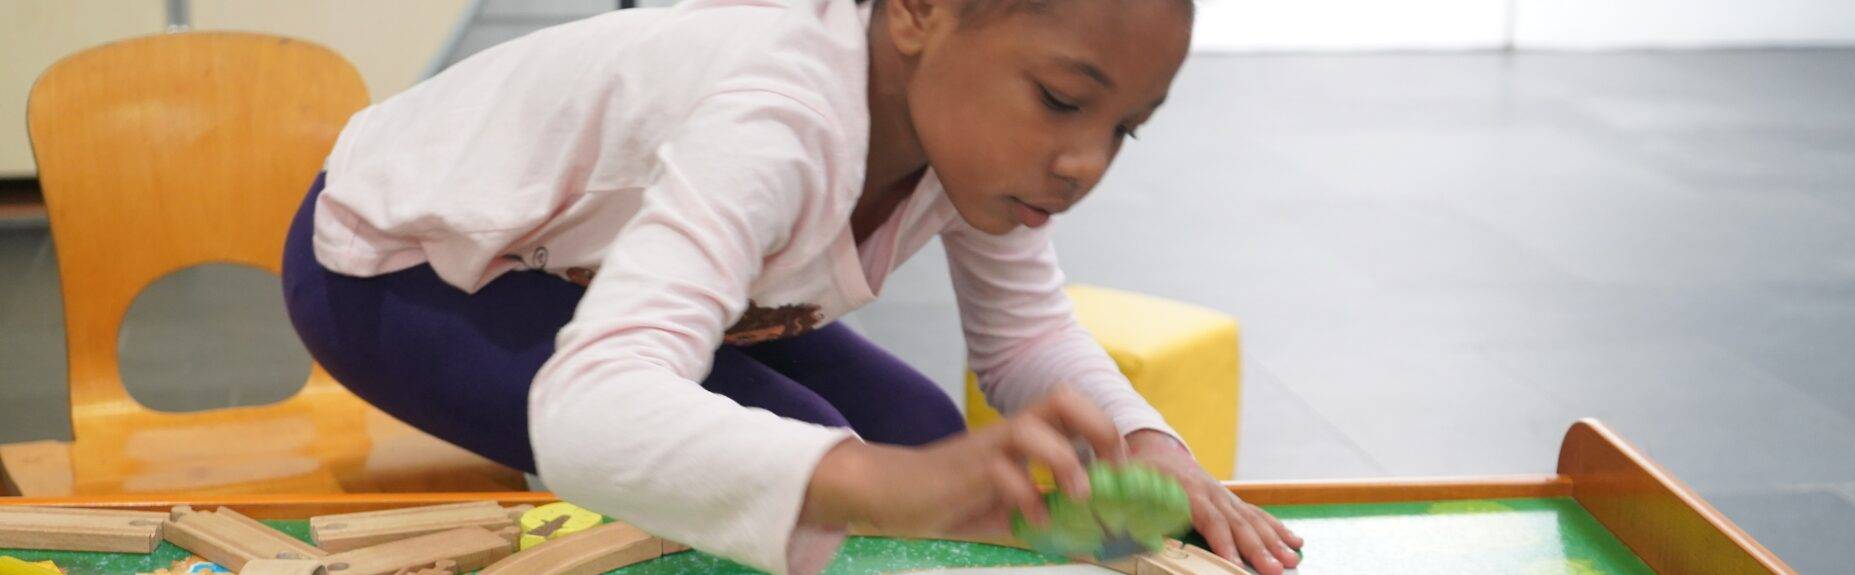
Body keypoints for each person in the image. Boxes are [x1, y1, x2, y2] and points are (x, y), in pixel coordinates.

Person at [280, 1, 1301, 573]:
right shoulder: (776, 121)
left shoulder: (977, 143)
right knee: (844, 467)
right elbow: (589, 410)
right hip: (401, 262)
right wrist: (885, 483)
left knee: (917, 428)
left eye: (1123, 126)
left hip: (587, 266)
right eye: (1063, 100)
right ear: (920, 13)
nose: (1085, 162)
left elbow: (1025, 335)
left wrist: (1151, 448)